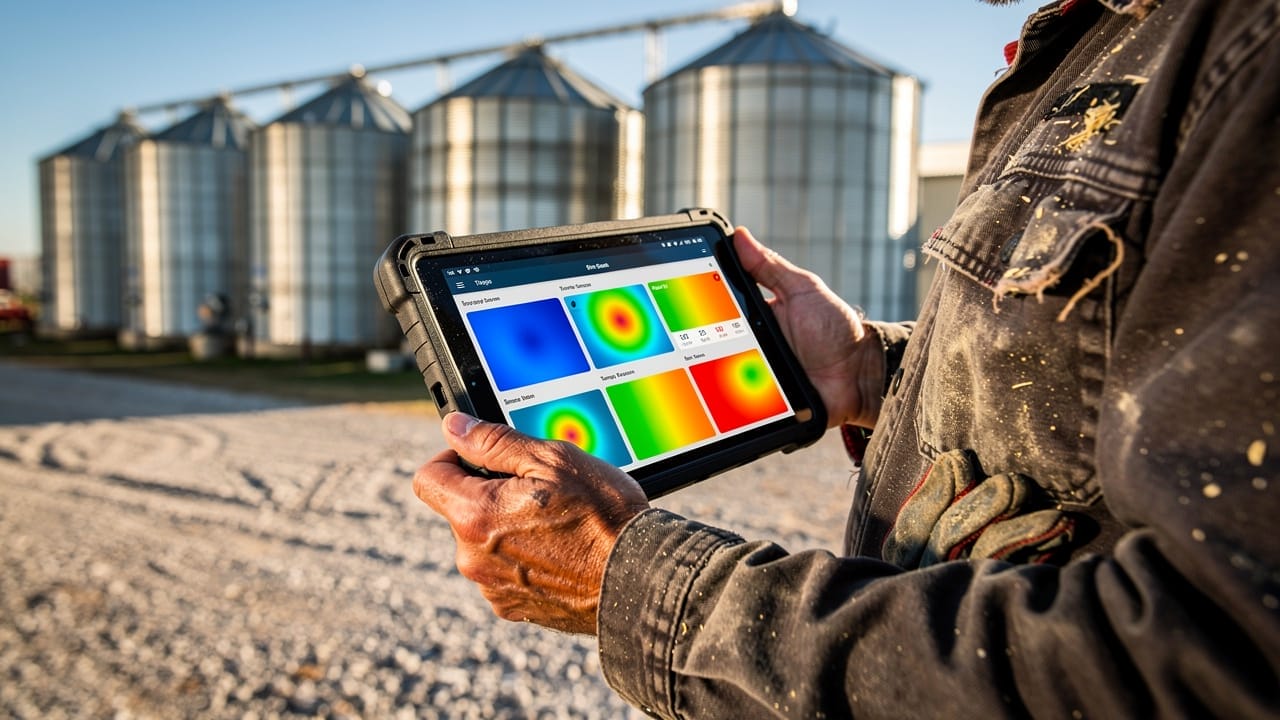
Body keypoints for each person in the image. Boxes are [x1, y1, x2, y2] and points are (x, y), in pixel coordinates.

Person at [413, 0, 1280, 716]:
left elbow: (1216, 661)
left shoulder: (1245, 52)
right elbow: (1097, 379)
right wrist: (871, 371)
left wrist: (634, 584)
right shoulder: (1098, 42)